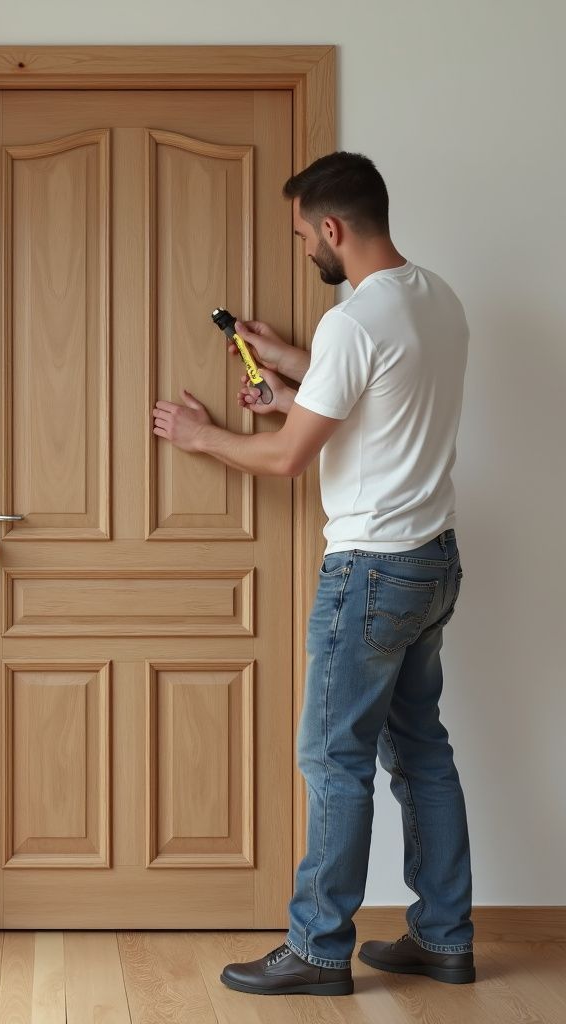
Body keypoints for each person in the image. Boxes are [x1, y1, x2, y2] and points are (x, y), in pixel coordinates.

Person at [151, 151, 474, 997]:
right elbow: (377, 400)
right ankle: (444, 939)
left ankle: (319, 949)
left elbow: (293, 456)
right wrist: (285, 359)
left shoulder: (354, 325)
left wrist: (202, 438)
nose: (303, 250)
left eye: (303, 235)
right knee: (423, 754)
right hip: (431, 561)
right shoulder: (435, 300)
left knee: (335, 762)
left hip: (369, 571)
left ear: (333, 227)